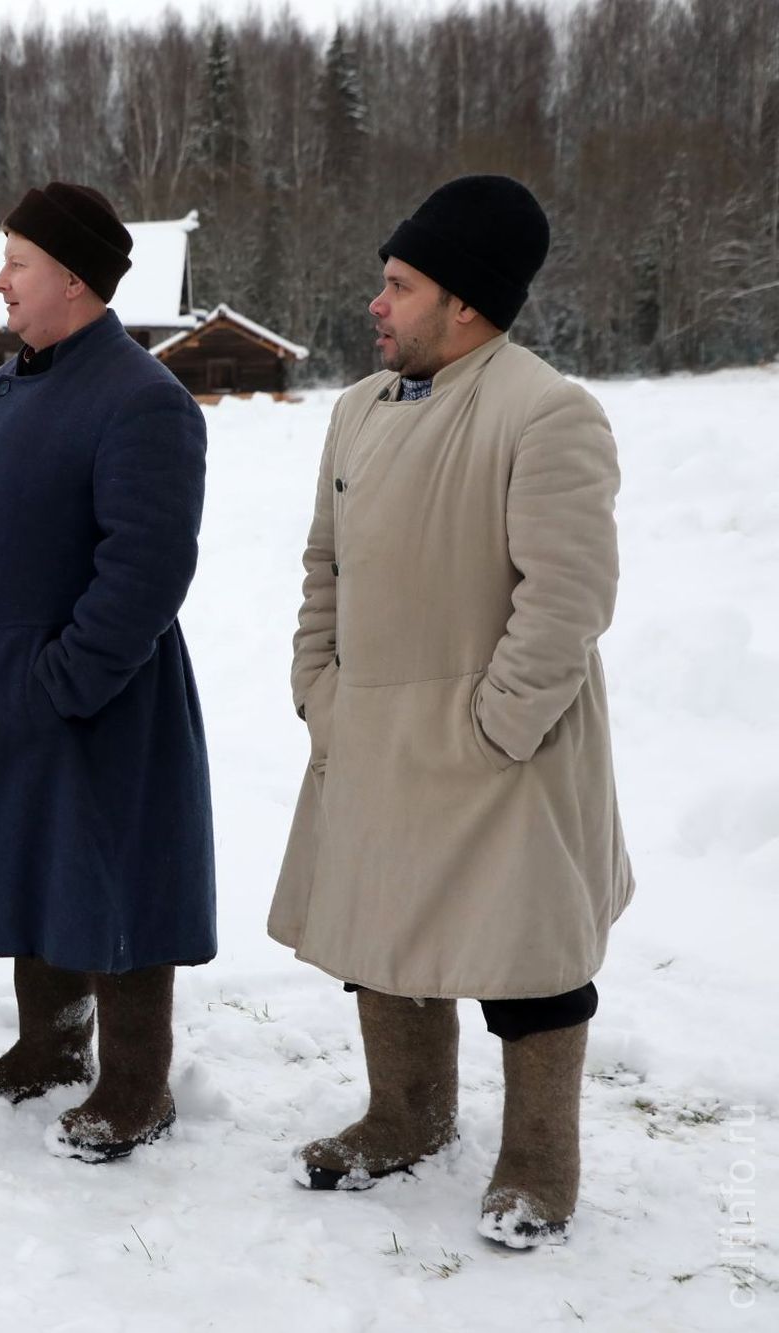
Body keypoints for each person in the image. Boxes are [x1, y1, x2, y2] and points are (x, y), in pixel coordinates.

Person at [269, 175, 633, 1247]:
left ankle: (536, 1161)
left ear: (462, 301)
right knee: (379, 931)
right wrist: (316, 690)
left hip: (499, 746)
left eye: (397, 284)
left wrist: (497, 726)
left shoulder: (545, 409)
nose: (373, 303)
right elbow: (321, 567)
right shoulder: (355, 410)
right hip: (368, 729)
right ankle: (404, 1116)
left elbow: (566, 596)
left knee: (528, 957)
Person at [0, 183, 215, 1162]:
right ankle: (48, 1049)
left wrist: (65, 679)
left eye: (14, 261)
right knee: (35, 862)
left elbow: (146, 568)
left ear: (70, 277)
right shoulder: (10, 380)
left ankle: (136, 1084)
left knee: (113, 877)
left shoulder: (142, 398)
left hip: (97, 691)